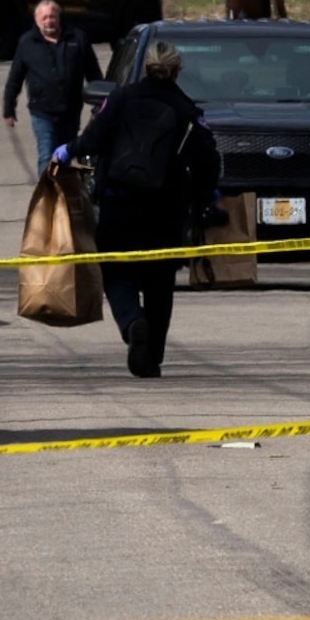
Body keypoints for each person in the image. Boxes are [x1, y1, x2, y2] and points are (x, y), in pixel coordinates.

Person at [64, 36, 218, 378]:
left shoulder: (120, 98)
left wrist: (67, 150)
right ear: (177, 70)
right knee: (160, 284)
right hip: (165, 212)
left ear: (146, 66)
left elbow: (92, 140)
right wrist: (206, 199)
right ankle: (151, 358)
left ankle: (133, 321)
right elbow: (208, 161)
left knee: (116, 272)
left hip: (119, 205)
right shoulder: (187, 111)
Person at [1, 0, 96, 167]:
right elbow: (15, 78)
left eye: (52, 16)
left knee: (64, 156)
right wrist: (9, 108)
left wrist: (102, 101)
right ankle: (48, 193)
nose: (49, 21)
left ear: (59, 17)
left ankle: (61, 192)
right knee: (46, 155)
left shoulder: (77, 38)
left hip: (70, 111)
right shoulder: (27, 43)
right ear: (36, 20)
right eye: (44, 18)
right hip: (42, 111)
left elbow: (93, 72)